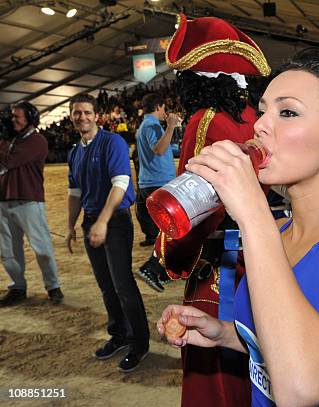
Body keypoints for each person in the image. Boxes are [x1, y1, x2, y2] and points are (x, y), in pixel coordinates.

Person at [158, 48, 319, 406]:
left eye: (287, 112)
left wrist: (251, 212)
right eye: (262, 111)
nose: (260, 125)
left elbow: (301, 388)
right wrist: (227, 336)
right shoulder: (274, 230)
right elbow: (280, 341)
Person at [155, 14, 271, 407]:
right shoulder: (255, 120)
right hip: (265, 257)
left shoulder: (203, 122)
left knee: (216, 382)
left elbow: (197, 206)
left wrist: (170, 255)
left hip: (223, 267)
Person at [66, 93, 149, 373]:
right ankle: (119, 334)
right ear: (71, 116)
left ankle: (140, 343)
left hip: (114, 223)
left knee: (123, 284)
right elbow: (75, 192)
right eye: (77, 113)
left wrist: (102, 221)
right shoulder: (74, 152)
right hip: (91, 223)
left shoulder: (112, 141)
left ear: (97, 115)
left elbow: (121, 183)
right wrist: (70, 227)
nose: (82, 117)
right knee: (106, 286)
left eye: (87, 112)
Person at [0, 101, 63, 306]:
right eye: (12, 117)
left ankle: (53, 286)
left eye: (17, 116)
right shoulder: (10, 139)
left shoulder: (37, 141)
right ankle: (17, 287)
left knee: (41, 246)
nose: (12, 120)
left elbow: (8, 162)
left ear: (30, 119)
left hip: (29, 200)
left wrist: (3, 139)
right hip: (3, 199)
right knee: (8, 250)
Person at [134, 93, 181, 292]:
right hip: (159, 182)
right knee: (172, 230)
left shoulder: (143, 126)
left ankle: (165, 270)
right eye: (163, 108)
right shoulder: (152, 125)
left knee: (164, 230)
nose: (165, 112)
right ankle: (153, 268)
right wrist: (170, 127)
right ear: (158, 106)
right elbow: (159, 150)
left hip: (148, 182)